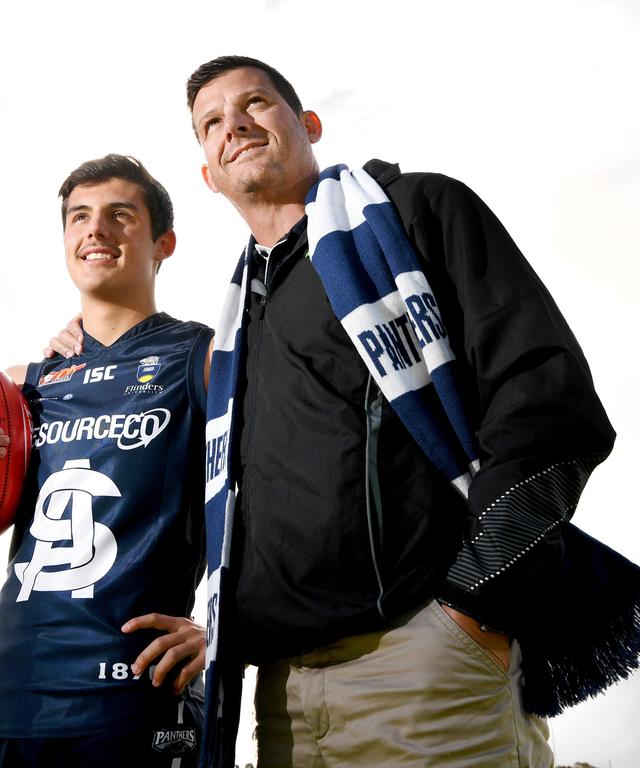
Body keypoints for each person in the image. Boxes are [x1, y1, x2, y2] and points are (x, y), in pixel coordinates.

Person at [43, 57, 640, 768]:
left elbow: (546, 399)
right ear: (208, 173)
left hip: (425, 672)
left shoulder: (416, 213)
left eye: (255, 103)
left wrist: (472, 600)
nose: (232, 123)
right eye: (209, 123)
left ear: (308, 124)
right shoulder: (237, 329)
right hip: (281, 698)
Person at [0, 154, 213, 768]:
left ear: (162, 242)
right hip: (12, 698)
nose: (96, 230)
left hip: (138, 699)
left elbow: (276, 493)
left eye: (121, 215)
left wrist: (226, 626)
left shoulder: (202, 357)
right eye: (79, 217)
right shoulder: (19, 391)